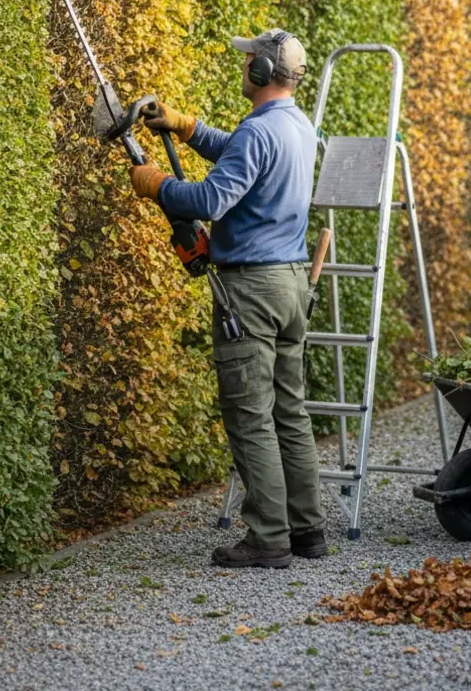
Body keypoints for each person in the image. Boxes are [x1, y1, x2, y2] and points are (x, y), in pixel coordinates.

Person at [124, 30, 325, 569]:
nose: (243, 68)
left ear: (260, 71)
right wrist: (187, 128)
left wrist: (156, 185)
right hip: (290, 282)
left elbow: (214, 197)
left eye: (248, 62)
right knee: (291, 411)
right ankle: (307, 531)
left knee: (251, 415)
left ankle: (268, 539)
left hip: (251, 290)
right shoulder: (299, 126)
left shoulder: (260, 131)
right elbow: (242, 155)